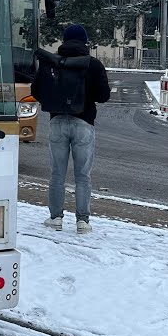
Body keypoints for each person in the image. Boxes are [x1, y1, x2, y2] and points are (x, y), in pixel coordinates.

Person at [33, 24, 110, 234]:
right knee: (83, 175)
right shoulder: (92, 65)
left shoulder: (52, 63)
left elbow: (36, 91)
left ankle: (55, 218)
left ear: (64, 41)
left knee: (57, 173)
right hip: (84, 123)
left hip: (57, 122)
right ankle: (82, 222)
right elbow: (104, 96)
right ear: (84, 41)